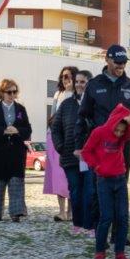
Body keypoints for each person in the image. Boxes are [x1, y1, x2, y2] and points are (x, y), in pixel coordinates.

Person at [81, 103, 130, 259]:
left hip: (120, 179)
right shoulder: (99, 132)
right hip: (104, 180)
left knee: (122, 218)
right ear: (113, 122)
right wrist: (97, 166)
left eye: (122, 131)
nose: (119, 133)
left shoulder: (124, 133)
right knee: (106, 217)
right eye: (117, 130)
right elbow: (86, 151)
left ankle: (119, 253)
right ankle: (100, 253)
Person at [78, 44, 130, 172]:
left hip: (122, 146)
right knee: (98, 188)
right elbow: (83, 116)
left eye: (124, 62)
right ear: (107, 60)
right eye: (117, 62)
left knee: (120, 187)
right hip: (100, 145)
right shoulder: (94, 84)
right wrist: (80, 145)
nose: (121, 65)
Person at [52, 69, 94, 236]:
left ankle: (90, 225)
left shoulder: (95, 104)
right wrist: (61, 146)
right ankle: (77, 223)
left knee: (90, 191)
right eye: (77, 82)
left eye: (82, 82)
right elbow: (55, 128)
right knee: (75, 191)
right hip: (70, 156)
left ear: (89, 84)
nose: (78, 85)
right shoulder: (67, 104)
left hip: (90, 157)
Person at [0, 78, 32, 222]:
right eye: (9, 92)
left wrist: (17, 130)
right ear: (2, 93)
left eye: (14, 92)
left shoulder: (21, 109)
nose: (12, 95)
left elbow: (28, 129)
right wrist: (4, 131)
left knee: (16, 182)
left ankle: (16, 213)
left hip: (16, 152)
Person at [44, 67, 75, 222]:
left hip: (70, 139)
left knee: (70, 175)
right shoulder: (57, 94)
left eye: (68, 76)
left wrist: (70, 92)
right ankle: (62, 211)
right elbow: (54, 116)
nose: (65, 79)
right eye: (63, 76)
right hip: (55, 137)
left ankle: (71, 212)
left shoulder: (76, 95)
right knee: (58, 176)